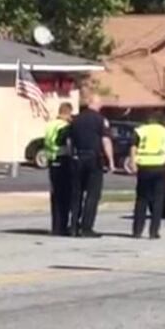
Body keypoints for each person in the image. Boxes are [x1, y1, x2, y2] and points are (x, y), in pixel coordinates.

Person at [67, 94, 115, 238]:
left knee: (76, 194)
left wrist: (71, 156)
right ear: (97, 104)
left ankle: (73, 226)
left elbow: (69, 141)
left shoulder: (76, 119)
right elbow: (106, 141)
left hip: (77, 158)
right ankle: (86, 228)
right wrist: (111, 161)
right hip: (93, 159)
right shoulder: (101, 120)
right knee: (92, 195)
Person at [129, 111, 165, 239]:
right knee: (158, 201)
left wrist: (132, 162)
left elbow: (133, 147)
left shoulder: (140, 130)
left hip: (144, 167)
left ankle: (137, 230)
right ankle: (154, 231)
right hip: (160, 167)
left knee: (141, 199)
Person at [44, 102, 73, 235]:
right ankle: (62, 226)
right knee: (64, 196)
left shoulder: (50, 124)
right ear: (68, 113)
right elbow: (64, 141)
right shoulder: (63, 126)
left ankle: (55, 226)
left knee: (55, 195)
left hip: (51, 160)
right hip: (62, 159)